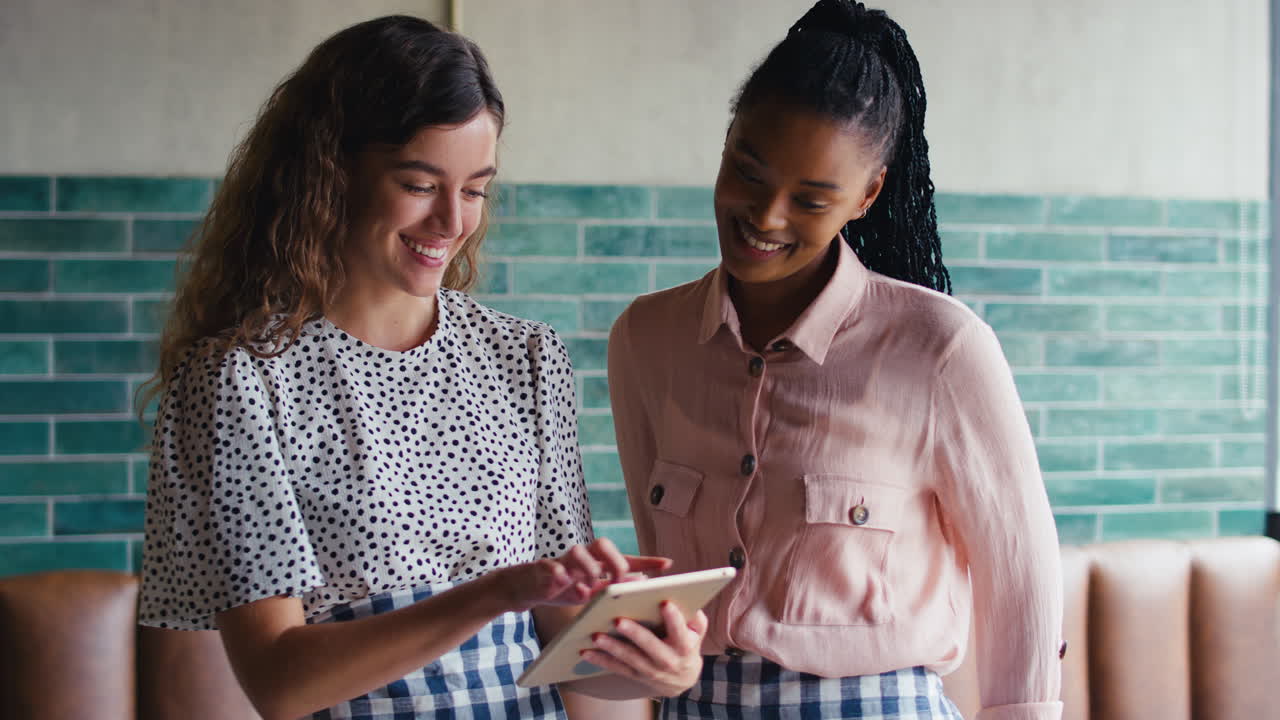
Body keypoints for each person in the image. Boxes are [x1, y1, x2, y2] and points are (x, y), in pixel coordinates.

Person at [137, 15, 705, 720]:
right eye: (419, 183)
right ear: (330, 172)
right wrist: (498, 591)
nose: (452, 222)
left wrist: (657, 673)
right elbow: (280, 683)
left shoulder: (525, 358)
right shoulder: (241, 379)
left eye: (475, 189)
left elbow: (569, 649)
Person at [603, 1, 1065, 718]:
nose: (767, 216)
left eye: (812, 200)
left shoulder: (941, 350)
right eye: (748, 174)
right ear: (727, 141)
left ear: (866, 195)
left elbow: (1023, 581)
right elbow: (660, 567)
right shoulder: (645, 339)